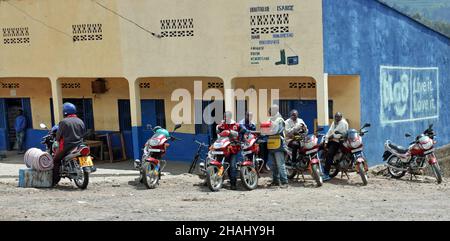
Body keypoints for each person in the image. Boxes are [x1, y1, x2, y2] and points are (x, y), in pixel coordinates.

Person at [52, 103, 86, 186]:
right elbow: (84, 133)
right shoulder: (80, 121)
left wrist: (56, 140)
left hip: (67, 147)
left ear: (65, 112)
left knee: (56, 160)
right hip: (79, 145)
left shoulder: (63, 122)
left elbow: (58, 136)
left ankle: (55, 181)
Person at [216, 111, 248, 190]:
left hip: (233, 148)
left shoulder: (236, 125)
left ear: (230, 117)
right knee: (220, 165)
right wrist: (218, 127)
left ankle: (233, 183)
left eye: (226, 117)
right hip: (223, 148)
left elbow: (244, 130)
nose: (225, 118)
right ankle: (218, 180)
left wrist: (240, 137)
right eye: (224, 117)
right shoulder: (222, 125)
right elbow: (218, 132)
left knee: (232, 166)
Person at [266, 104, 288, 188]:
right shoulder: (270, 120)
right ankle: (275, 181)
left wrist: (267, 131)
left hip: (279, 144)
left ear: (275, 110)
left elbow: (278, 130)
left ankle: (284, 182)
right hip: (271, 144)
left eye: (270, 110)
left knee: (280, 164)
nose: (269, 111)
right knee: (272, 164)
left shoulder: (280, 120)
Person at [323, 112, 349, 181]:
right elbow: (330, 131)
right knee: (324, 149)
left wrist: (331, 136)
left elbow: (339, 134)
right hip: (333, 141)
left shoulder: (343, 123)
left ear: (341, 117)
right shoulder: (334, 122)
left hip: (339, 142)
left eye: (338, 117)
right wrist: (326, 139)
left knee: (329, 154)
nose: (337, 118)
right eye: (336, 117)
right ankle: (324, 172)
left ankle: (326, 173)